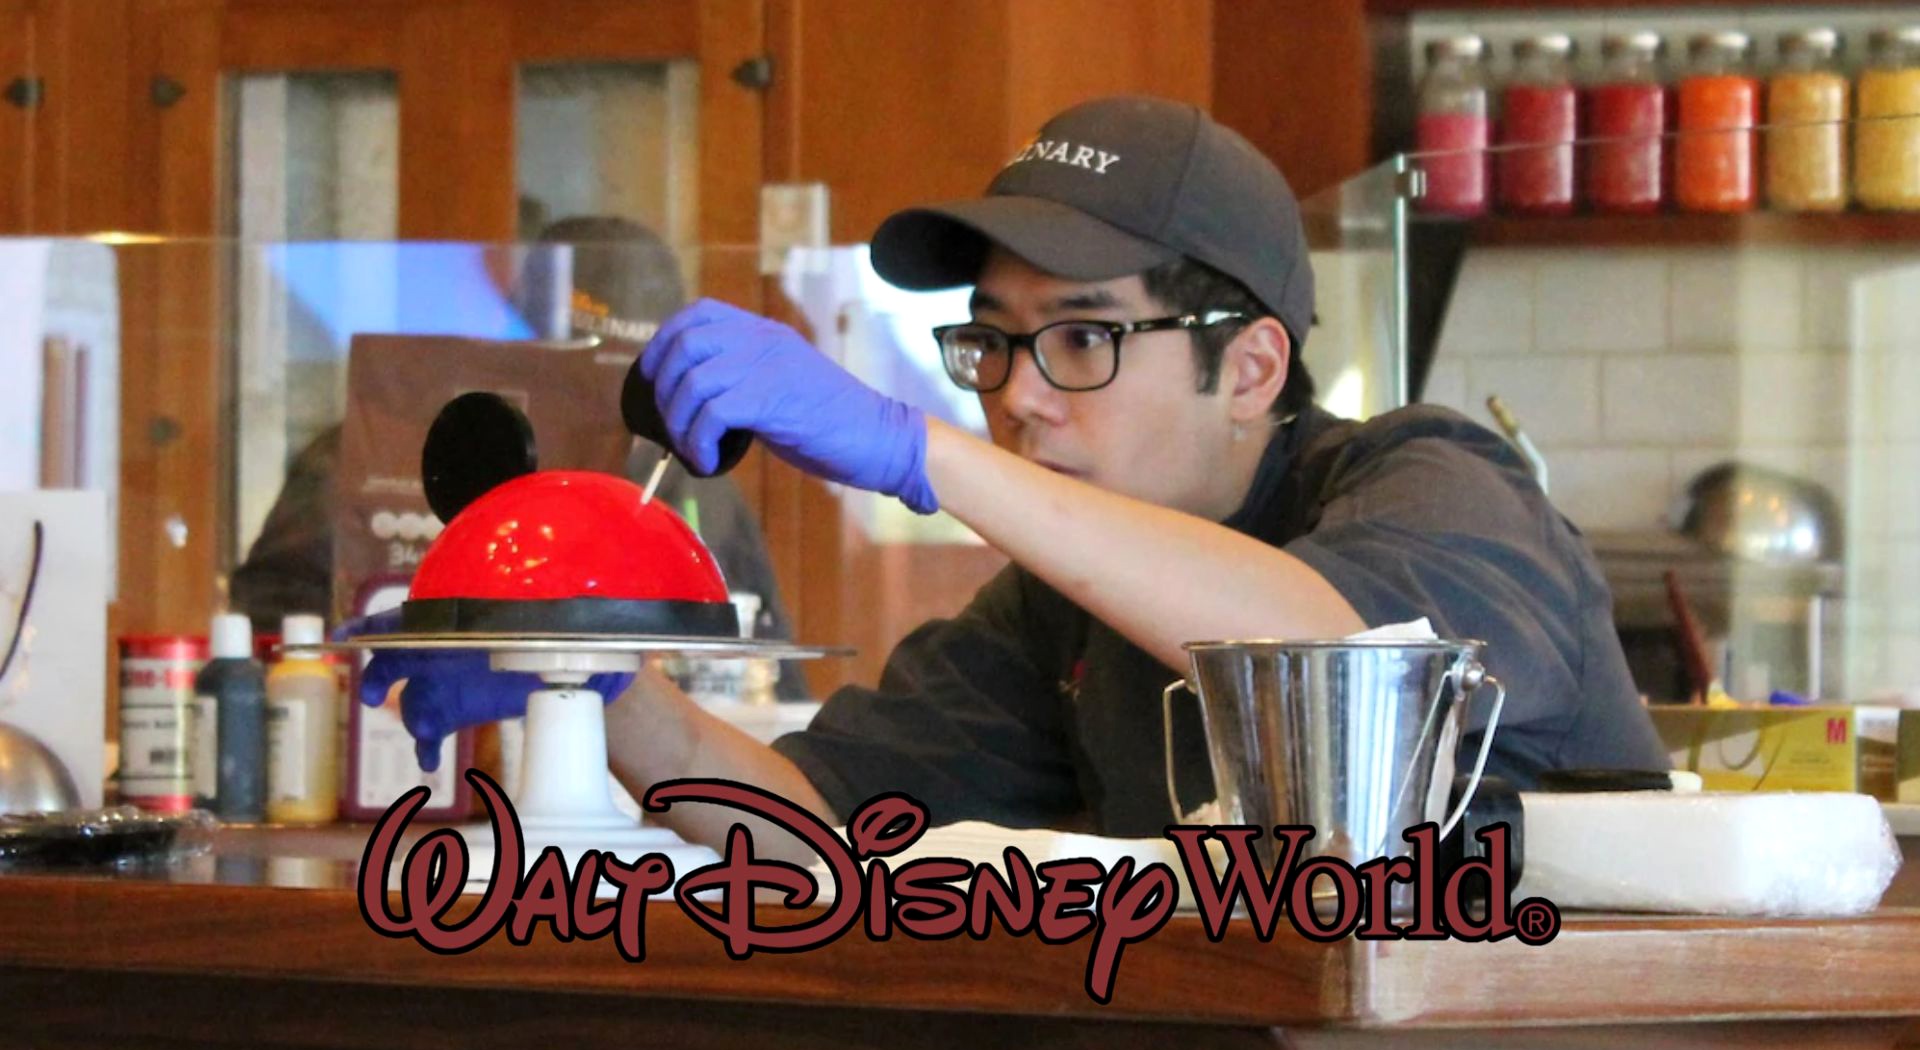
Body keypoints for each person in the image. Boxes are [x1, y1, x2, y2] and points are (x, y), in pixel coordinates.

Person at [363, 96, 1667, 860]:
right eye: (990, 341)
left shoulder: (1439, 484)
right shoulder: (1062, 617)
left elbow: (1335, 663)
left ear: (1252, 366)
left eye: (1082, 339)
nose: (1015, 394)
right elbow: (812, 825)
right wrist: (586, 678)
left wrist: (917, 451)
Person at [230, 216, 809, 701]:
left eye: (625, 380)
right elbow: (269, 625)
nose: (597, 408)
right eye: (571, 374)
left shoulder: (697, 487)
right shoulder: (383, 449)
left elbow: (773, 675)